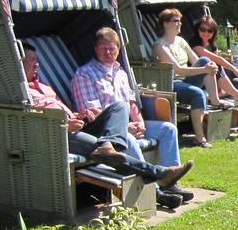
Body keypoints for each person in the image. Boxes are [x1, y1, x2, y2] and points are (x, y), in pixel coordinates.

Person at [23, 43, 192, 205]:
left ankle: (108, 144)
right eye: (31, 60)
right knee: (108, 153)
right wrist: (66, 123)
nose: (36, 63)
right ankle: (159, 183)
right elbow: (33, 120)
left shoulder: (45, 88)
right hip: (58, 133)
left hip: (78, 127)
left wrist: (79, 115)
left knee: (119, 107)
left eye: (36, 59)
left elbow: (66, 110)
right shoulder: (22, 92)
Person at [70, 28, 194, 207]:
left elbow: (131, 102)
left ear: (119, 49)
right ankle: (155, 192)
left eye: (112, 48)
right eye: (103, 48)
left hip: (127, 124)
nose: (108, 52)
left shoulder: (120, 72)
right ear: (95, 49)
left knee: (168, 129)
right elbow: (92, 112)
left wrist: (140, 123)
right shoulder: (84, 74)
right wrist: (124, 128)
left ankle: (171, 184)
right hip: (104, 130)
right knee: (128, 139)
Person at [151, 8, 234, 146]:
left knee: (207, 61)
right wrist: (204, 69)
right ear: (165, 24)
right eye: (175, 21)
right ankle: (200, 138)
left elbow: (197, 61)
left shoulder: (181, 41)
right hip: (171, 82)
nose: (179, 24)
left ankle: (215, 100)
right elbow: (178, 69)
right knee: (198, 93)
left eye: (180, 21)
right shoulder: (159, 45)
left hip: (187, 79)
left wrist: (209, 67)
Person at [190, 15, 238, 108]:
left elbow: (217, 66)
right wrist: (235, 69)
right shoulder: (194, 43)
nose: (206, 33)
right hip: (196, 78)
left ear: (213, 33)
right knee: (214, 64)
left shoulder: (213, 46)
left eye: (209, 31)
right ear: (197, 29)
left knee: (237, 82)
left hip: (209, 81)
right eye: (202, 29)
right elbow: (217, 59)